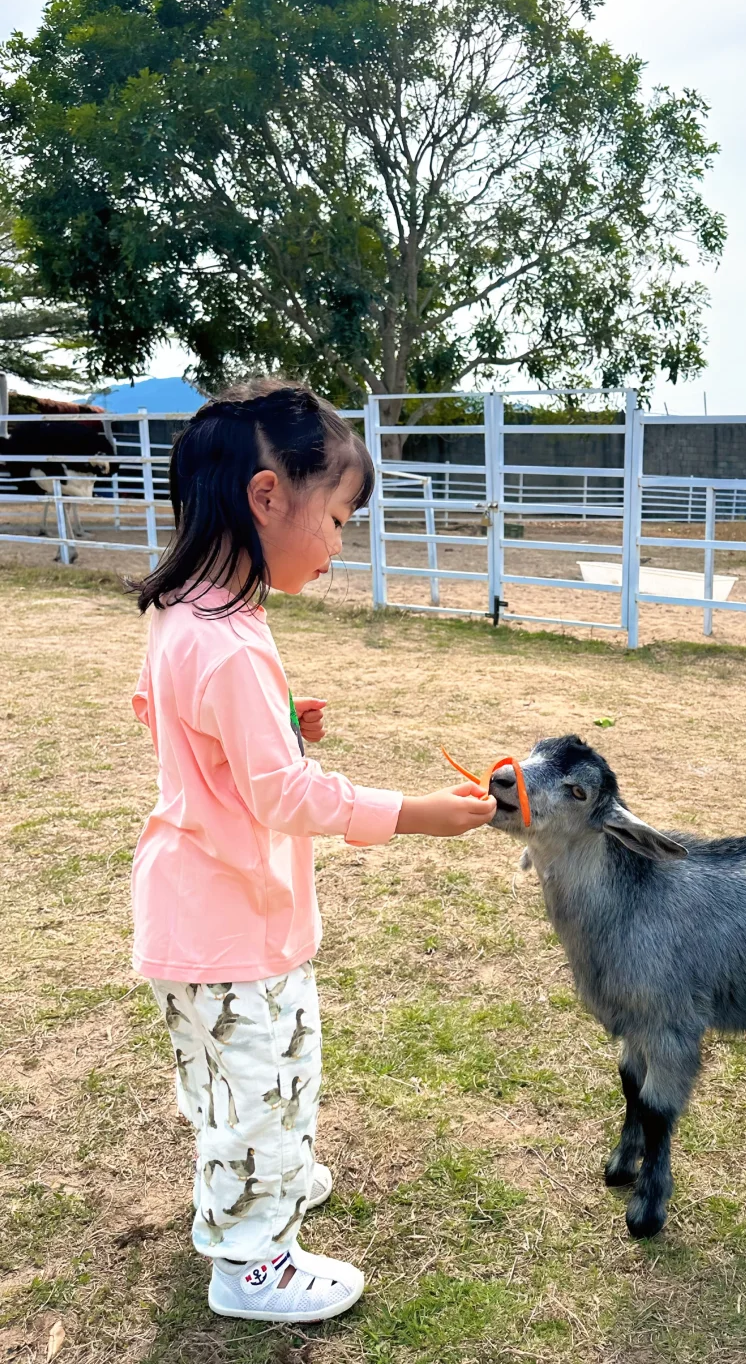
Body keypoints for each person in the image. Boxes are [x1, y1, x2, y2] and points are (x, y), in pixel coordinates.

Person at [129, 379, 495, 1323]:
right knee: (272, 1080)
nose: (339, 543)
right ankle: (254, 1262)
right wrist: (410, 812)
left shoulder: (188, 616)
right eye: (335, 518)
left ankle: (257, 1181)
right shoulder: (235, 645)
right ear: (265, 497)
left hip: (184, 914)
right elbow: (281, 797)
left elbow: (168, 719)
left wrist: (282, 726)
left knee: (223, 1079)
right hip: (236, 920)